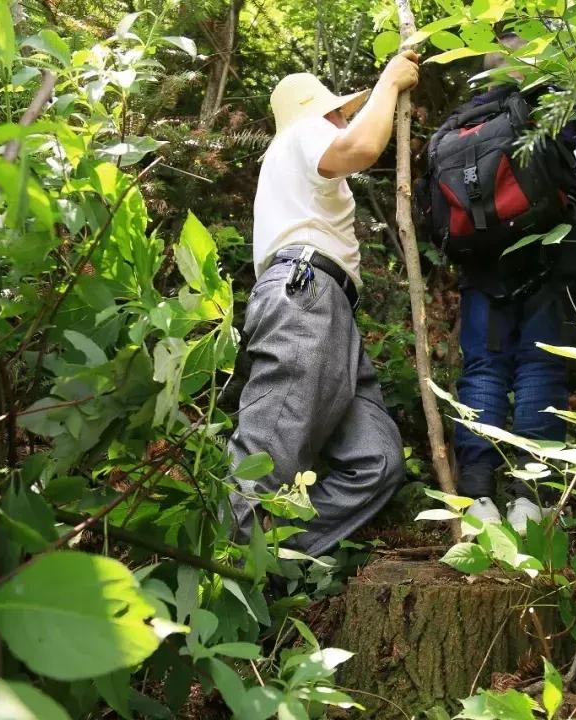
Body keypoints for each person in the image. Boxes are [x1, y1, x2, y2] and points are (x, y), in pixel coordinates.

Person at [228, 51, 420, 557]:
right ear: (318, 113)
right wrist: (390, 81)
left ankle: (274, 557)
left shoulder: (293, 163)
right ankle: (227, 571)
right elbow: (360, 146)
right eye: (337, 111)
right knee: (268, 452)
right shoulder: (300, 133)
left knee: (375, 460)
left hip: (325, 304)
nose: (344, 117)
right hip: (305, 294)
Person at [432, 34, 576, 534]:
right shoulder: (547, 109)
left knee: (483, 369)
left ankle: (478, 493)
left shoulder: (453, 127)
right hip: (549, 254)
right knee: (541, 365)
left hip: (481, 266)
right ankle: (530, 496)